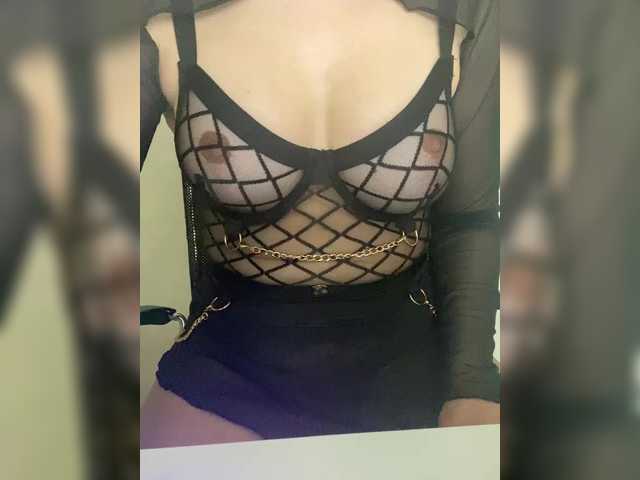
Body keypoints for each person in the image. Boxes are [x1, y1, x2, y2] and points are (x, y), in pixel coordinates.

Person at [140, 0, 500, 447]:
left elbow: (467, 221)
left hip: (412, 365)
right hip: (226, 367)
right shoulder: (162, 21)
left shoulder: (465, 14)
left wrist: (471, 383)